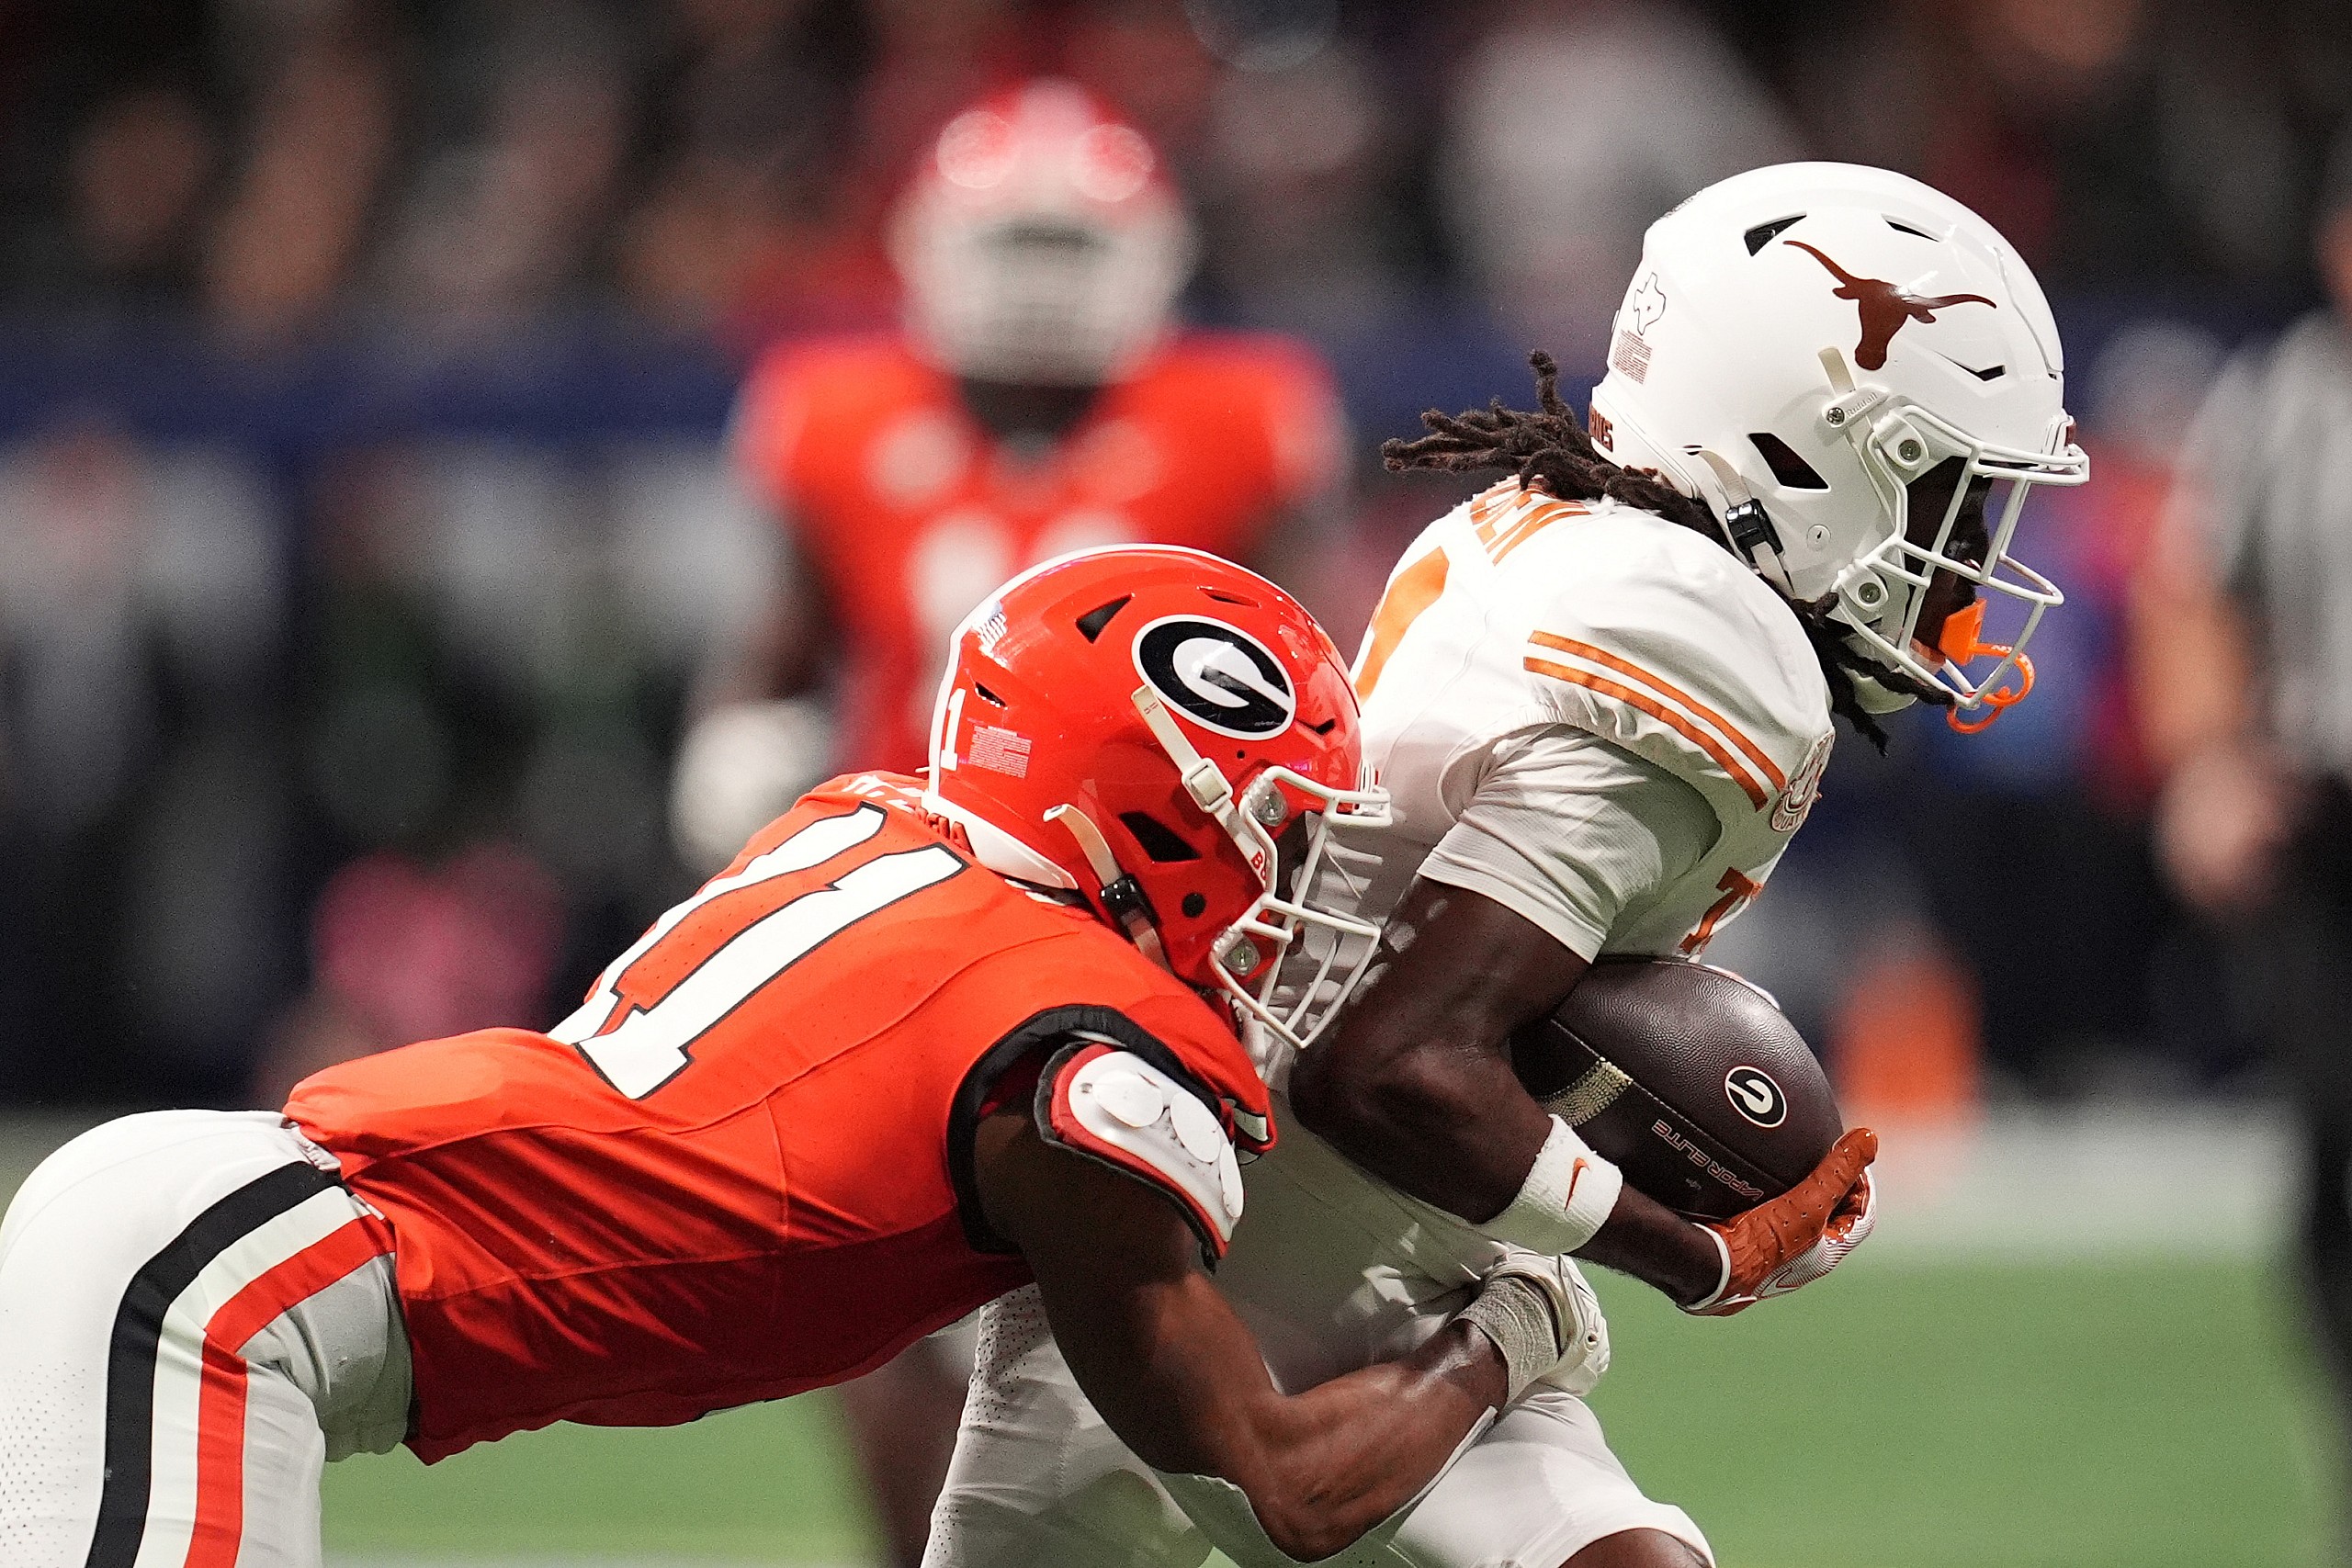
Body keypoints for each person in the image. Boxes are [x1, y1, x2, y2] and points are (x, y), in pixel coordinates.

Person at [0, 547, 1631, 1568]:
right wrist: (1513, 1326)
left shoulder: (885, 822)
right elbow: (1290, 1488)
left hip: (223, 1245)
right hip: (221, 1301)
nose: (1287, 895)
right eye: (1270, 837)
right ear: (1143, 812)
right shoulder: (1084, 1070)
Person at [925, 162, 2086, 1568]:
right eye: (1945, 500)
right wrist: (1695, 1245)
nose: (1963, 567)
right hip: (1252, 1290)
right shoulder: (1711, 643)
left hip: (1308, 1234)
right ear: (1811, 447)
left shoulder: (1552, 531)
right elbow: (1394, 1064)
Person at [673, 77, 1346, 870]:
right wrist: (733, 753)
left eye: (1072, 248)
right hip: (895, 856)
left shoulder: (1237, 421)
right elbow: (770, 664)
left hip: (1153, 876)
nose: (1041, 283)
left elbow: (1316, 690)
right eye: (1014, 246)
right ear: (926, 247)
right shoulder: (834, 418)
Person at [2139, 132, 2352, 1497]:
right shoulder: (2282, 399)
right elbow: (2194, 588)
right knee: (2337, 1144)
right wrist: (2208, 766)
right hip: (2331, 816)